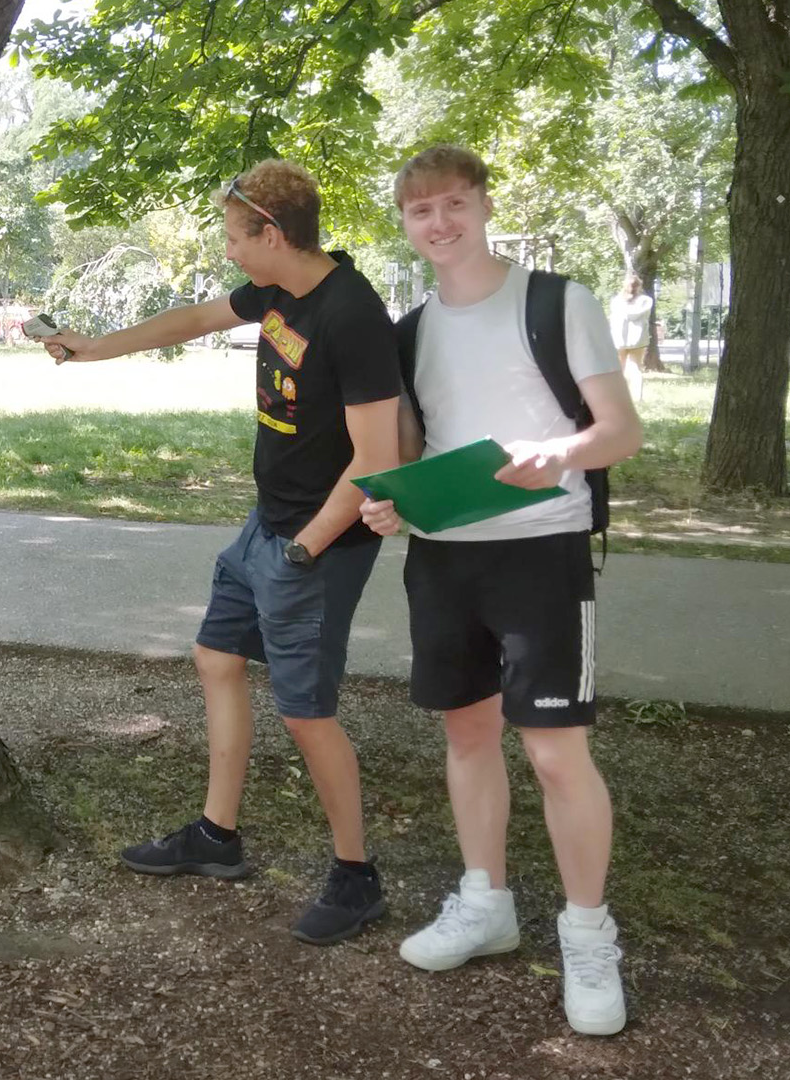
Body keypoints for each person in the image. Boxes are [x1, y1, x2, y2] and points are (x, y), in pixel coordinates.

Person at [39, 159, 401, 944]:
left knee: (306, 713)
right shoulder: (277, 292)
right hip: (265, 526)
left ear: (273, 232)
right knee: (216, 657)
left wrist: (304, 551)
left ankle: (355, 875)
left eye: (236, 238)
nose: (230, 252)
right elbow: (193, 321)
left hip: (317, 543)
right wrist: (92, 348)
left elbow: (376, 462)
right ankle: (216, 834)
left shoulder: (352, 315)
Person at [363, 145, 642, 1035]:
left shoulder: (559, 301)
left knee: (557, 752)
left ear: (483, 204)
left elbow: (619, 432)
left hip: (542, 552)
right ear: (405, 226)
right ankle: (486, 904)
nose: (439, 224)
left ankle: (588, 937)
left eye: (452, 204)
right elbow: (408, 456)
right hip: (446, 558)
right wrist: (392, 510)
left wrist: (554, 455)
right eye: (420, 212)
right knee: (468, 732)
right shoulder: (408, 330)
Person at [609, 275, 652, 402]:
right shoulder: (646, 300)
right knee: (636, 368)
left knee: (619, 368)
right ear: (639, 286)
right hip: (638, 340)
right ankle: (638, 397)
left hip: (619, 339)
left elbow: (614, 318)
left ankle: (618, 396)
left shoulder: (617, 301)